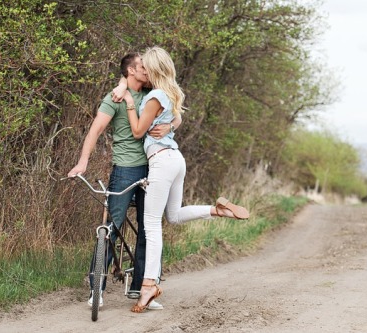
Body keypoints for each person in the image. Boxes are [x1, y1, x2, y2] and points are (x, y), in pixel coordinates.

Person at [121, 46, 250, 313]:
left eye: (145, 66)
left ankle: (148, 286)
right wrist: (169, 126)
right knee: (174, 216)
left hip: (161, 161)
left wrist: (130, 104)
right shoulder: (170, 92)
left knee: (152, 226)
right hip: (176, 160)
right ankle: (217, 209)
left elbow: (136, 132)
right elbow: (177, 119)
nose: (142, 69)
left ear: (154, 69)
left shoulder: (155, 96)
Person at [68, 52, 181, 309]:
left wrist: (172, 126)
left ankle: (142, 288)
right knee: (111, 228)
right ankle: (97, 288)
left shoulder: (153, 91)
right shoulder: (116, 97)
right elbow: (95, 129)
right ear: (131, 71)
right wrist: (83, 161)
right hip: (126, 170)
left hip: (154, 167)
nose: (147, 68)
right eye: (142, 65)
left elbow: (176, 112)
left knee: (147, 228)